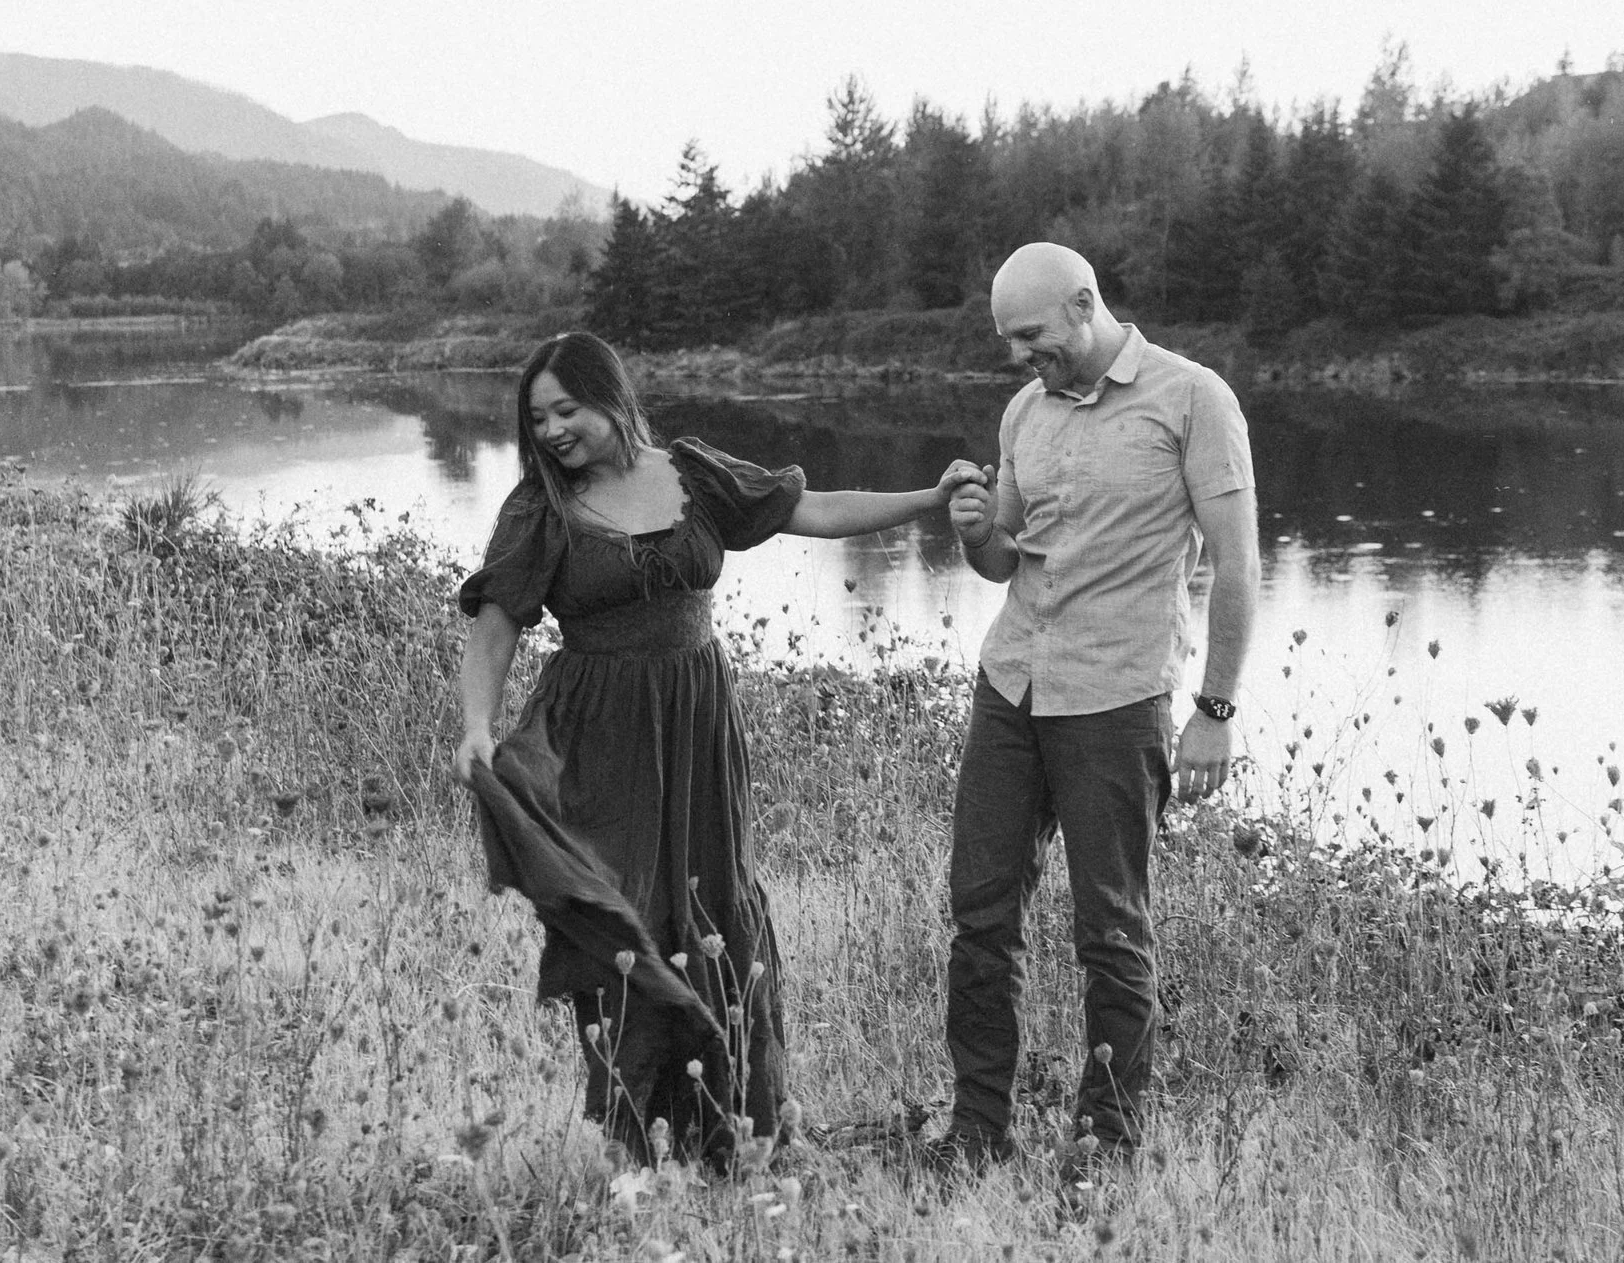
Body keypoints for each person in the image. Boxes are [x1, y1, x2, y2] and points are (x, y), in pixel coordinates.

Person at [453, 331, 974, 1169]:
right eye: (537, 416)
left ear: (613, 398)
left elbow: (812, 508)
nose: (551, 430)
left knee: (716, 903)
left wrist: (927, 499)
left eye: (567, 408)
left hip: (698, 722)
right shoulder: (540, 508)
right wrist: (478, 726)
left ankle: (731, 1127)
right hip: (603, 731)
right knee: (628, 915)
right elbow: (496, 624)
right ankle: (636, 1138)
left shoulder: (691, 474)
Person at [931, 242, 1259, 1181]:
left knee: (1110, 931)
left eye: (1031, 336)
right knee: (979, 915)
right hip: (1013, 686)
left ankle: (1103, 1148)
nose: (1020, 357)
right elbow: (1006, 559)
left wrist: (1217, 708)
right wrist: (973, 535)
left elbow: (1238, 563)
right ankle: (976, 1131)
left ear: (1084, 306)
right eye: (1008, 342)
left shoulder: (1195, 399)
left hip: (1116, 700)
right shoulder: (1025, 410)